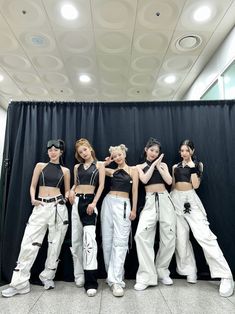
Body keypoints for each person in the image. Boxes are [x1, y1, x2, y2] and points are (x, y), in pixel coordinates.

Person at [2, 139, 70, 298]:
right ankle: (19, 284)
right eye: (50, 150)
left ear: (61, 152)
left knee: (55, 243)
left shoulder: (65, 170)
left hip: (57, 208)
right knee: (28, 243)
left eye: (56, 149)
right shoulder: (40, 166)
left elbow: (66, 190)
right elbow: (32, 185)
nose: (52, 152)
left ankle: (48, 277)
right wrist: (33, 199)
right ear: (47, 152)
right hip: (40, 207)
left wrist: (68, 196)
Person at [171, 139, 234, 297]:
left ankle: (226, 275)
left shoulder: (198, 165)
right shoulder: (175, 167)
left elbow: (196, 185)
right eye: (182, 150)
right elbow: (173, 185)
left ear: (192, 151)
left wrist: (192, 166)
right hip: (175, 199)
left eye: (187, 150)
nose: (184, 153)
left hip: (191, 201)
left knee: (204, 236)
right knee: (181, 238)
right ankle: (189, 270)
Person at [134, 137, 176, 291]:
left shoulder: (163, 164)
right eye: (151, 150)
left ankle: (162, 271)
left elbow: (169, 181)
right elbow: (144, 180)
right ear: (146, 150)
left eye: (156, 151)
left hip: (165, 199)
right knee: (141, 235)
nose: (153, 153)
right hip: (150, 201)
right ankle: (146, 275)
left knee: (169, 235)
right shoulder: (139, 166)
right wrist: (153, 165)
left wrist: (160, 165)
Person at [69, 138, 105, 297]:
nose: (83, 153)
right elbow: (75, 184)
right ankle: (79, 275)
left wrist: (94, 202)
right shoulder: (77, 167)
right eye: (80, 151)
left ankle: (91, 282)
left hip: (90, 202)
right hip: (76, 201)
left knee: (89, 241)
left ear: (90, 148)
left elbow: (102, 186)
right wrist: (70, 191)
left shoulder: (100, 165)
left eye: (85, 149)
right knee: (76, 240)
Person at [101, 144, 138, 297]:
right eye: (114, 156)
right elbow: (98, 167)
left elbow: (135, 190)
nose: (117, 158)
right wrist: (107, 162)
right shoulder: (111, 170)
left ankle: (117, 281)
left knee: (121, 242)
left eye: (119, 154)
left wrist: (134, 209)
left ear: (124, 153)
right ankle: (112, 277)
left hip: (123, 204)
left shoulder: (133, 170)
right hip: (108, 202)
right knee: (107, 240)